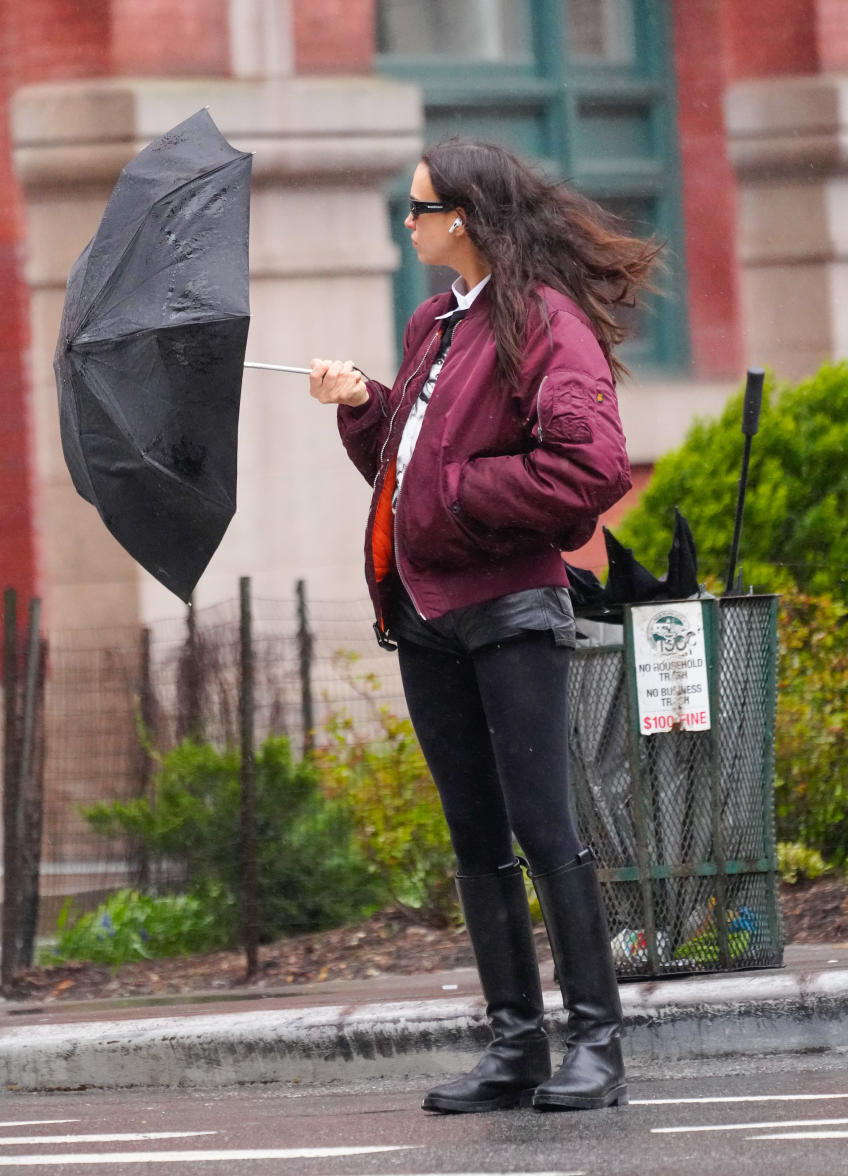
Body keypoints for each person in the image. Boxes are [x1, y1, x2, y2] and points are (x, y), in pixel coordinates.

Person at [309, 138, 659, 1114]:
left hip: (509, 612)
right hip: (425, 617)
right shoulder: (436, 324)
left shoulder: (541, 323)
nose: (407, 222)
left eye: (416, 209)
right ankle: (516, 1044)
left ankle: (597, 1044)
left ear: (461, 219)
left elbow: (589, 470)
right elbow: (409, 471)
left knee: (545, 827)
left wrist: (462, 496)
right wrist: (364, 408)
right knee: (475, 838)